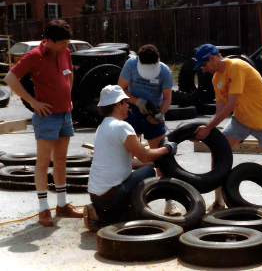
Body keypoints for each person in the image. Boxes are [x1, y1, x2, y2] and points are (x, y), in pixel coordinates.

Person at [193, 44, 262, 212]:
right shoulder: (216, 78)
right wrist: (207, 131)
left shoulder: (237, 66)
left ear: (211, 58)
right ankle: (218, 202)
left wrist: (207, 128)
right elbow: (219, 110)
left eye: (204, 64)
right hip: (242, 121)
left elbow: (230, 105)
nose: (203, 69)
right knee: (219, 151)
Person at [4, 20, 82, 226]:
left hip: (66, 114)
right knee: (43, 162)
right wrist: (32, 101)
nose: (67, 46)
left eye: (68, 42)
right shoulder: (33, 56)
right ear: (48, 41)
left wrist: (69, 96)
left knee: (61, 160)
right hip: (47, 117)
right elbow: (10, 78)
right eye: (63, 43)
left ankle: (62, 206)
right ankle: (43, 209)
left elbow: (70, 73)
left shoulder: (65, 52)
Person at [84, 85, 177, 231]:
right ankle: (136, 211)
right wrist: (167, 149)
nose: (128, 106)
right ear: (117, 104)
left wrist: (156, 161)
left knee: (144, 169)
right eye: (126, 102)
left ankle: (104, 213)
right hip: (113, 196)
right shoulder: (122, 127)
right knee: (148, 172)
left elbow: (124, 162)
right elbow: (145, 156)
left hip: (96, 196)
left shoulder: (101, 127)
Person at [117, 44, 181, 216]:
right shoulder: (130, 65)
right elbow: (120, 89)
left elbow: (167, 98)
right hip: (131, 110)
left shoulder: (165, 71)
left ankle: (169, 201)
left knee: (162, 156)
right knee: (125, 155)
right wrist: (137, 101)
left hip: (154, 111)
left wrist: (160, 113)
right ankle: (123, 198)